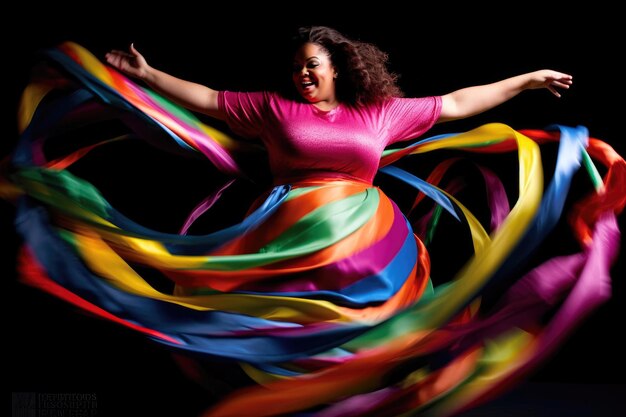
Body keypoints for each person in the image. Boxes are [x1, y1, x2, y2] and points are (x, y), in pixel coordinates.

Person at [7, 26, 624, 417]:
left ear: (338, 66)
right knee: (284, 330)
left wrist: (525, 80)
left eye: (313, 63)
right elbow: (203, 97)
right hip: (287, 236)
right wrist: (146, 76)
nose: (303, 72)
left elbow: (460, 103)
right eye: (297, 64)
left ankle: (353, 399)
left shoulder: (380, 113)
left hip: (368, 242)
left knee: (367, 332)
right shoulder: (272, 108)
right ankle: (289, 400)